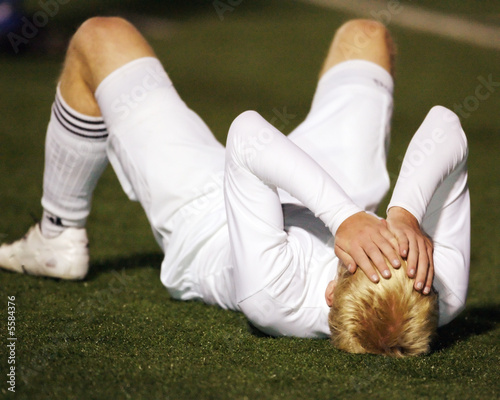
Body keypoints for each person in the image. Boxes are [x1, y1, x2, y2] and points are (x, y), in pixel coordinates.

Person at [0, 17, 470, 355]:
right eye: (400, 255)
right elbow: (446, 125)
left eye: (370, 259)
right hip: (335, 185)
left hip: (206, 213)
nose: (389, 252)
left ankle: (58, 234)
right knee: (366, 35)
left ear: (331, 293)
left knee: (99, 36)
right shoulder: (442, 292)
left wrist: (346, 220)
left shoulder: (274, 299)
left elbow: (246, 135)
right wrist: (405, 214)